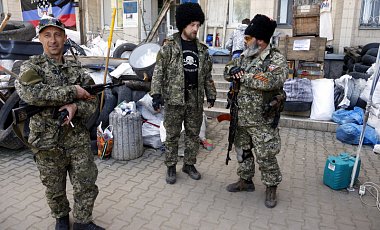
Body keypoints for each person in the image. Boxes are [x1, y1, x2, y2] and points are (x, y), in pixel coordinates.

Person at [14, 17, 104, 230]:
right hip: (46, 142)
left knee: (86, 182)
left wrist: (75, 107)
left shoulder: (77, 71)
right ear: (40, 39)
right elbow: (31, 93)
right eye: (47, 35)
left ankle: (82, 221)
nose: (53, 40)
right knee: (54, 187)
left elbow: (92, 104)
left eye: (57, 35)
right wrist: (72, 92)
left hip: (77, 140)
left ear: (64, 38)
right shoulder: (32, 67)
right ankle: (61, 219)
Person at [223, 14, 287, 208]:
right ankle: (245, 181)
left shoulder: (276, 59)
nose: (245, 41)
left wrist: (243, 77)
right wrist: (232, 72)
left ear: (260, 40)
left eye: (248, 38)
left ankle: (271, 188)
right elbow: (227, 70)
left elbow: (272, 81)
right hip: (241, 116)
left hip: (262, 119)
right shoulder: (244, 56)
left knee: (265, 155)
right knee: (242, 150)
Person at [150, 2, 217, 184]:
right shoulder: (170, 47)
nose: (196, 29)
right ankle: (171, 166)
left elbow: (207, 75)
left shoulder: (202, 50)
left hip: (194, 99)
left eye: (198, 25)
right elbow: (159, 71)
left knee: (193, 134)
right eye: (192, 25)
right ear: (183, 25)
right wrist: (156, 94)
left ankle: (189, 164)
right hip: (174, 99)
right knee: (172, 135)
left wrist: (210, 93)